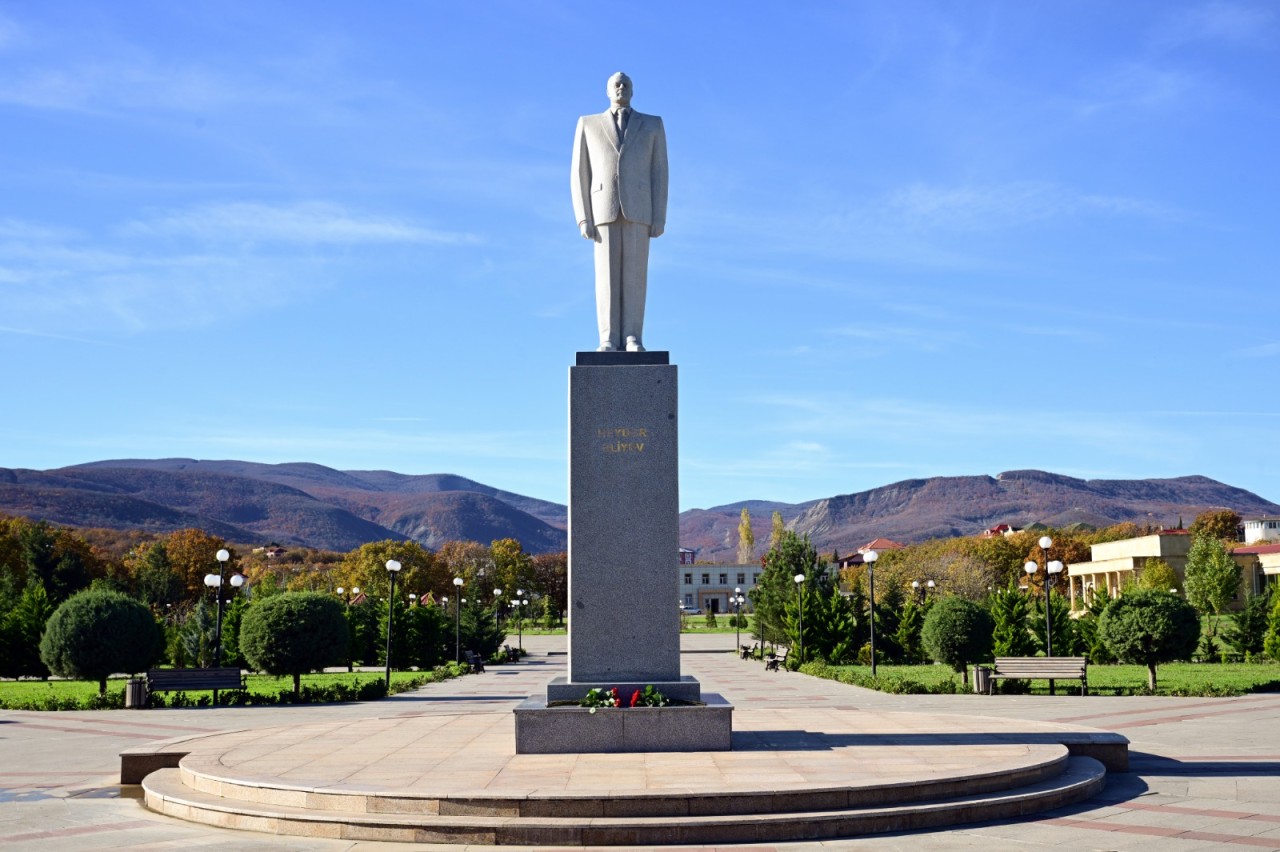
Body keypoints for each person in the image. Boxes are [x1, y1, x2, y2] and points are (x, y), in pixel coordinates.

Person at [570, 72, 668, 353]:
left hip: (640, 209)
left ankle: (633, 336)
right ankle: (608, 338)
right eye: (616, 84)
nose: (621, 87)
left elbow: (660, 172)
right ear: (607, 90)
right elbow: (580, 173)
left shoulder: (652, 125)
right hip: (603, 209)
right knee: (606, 277)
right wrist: (583, 217)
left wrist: (659, 215)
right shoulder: (588, 124)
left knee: (636, 277)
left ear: (633, 90)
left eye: (626, 83)